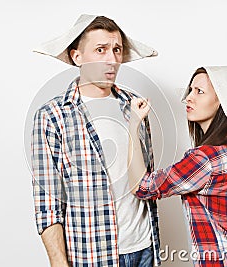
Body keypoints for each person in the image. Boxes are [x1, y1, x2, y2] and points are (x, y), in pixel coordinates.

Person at [31, 14, 161, 266]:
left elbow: (145, 179)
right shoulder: (52, 116)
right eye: (100, 50)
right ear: (76, 56)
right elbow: (48, 204)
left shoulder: (133, 106)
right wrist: (59, 263)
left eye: (116, 50)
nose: (111, 60)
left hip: (146, 247)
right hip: (94, 255)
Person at [128, 64, 227, 266]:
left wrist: (133, 124)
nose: (189, 98)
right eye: (191, 90)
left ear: (221, 101)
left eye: (199, 92)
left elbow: (142, 187)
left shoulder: (204, 159)